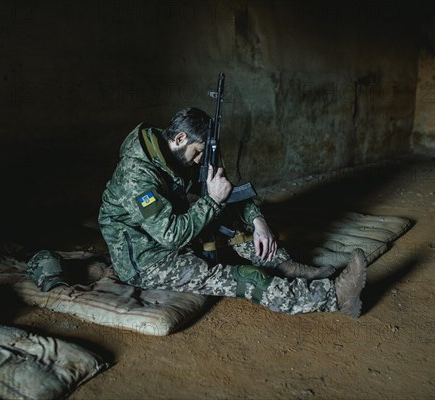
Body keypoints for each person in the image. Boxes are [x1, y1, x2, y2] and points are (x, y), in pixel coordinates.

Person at [98, 108, 367, 317]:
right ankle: (334, 297)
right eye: (198, 152)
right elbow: (171, 235)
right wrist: (212, 201)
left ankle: (285, 266)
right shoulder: (136, 176)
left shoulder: (172, 154)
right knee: (240, 277)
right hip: (147, 261)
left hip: (172, 235)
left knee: (236, 226)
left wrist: (258, 221)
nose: (200, 160)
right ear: (180, 138)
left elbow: (227, 193)